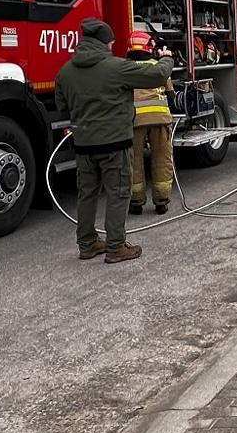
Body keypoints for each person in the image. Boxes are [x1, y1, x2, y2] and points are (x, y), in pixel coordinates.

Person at [56, 18, 174, 264]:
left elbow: (61, 106)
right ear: (103, 42)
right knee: (118, 193)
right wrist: (167, 57)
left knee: (86, 194)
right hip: (115, 144)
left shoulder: (65, 72)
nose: (111, 46)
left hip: (84, 145)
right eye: (110, 42)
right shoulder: (117, 67)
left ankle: (87, 244)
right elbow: (158, 75)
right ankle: (116, 247)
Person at [125, 31, 176, 216]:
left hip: (134, 121)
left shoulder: (124, 69)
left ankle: (136, 202)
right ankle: (161, 201)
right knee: (162, 158)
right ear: (150, 47)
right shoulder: (158, 67)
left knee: (134, 161)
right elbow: (171, 95)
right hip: (160, 119)